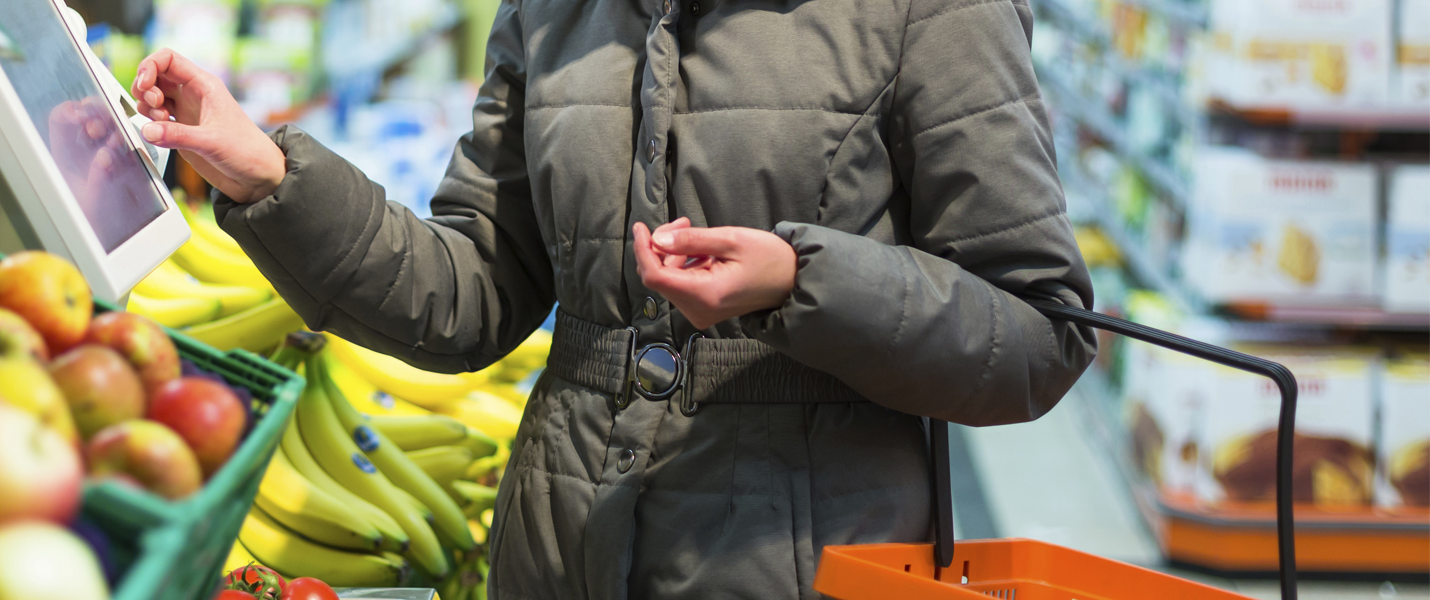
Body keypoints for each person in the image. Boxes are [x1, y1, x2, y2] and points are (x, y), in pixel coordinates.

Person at [130, 0, 1098, 597]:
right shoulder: (556, 9)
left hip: (798, 564)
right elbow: (471, 291)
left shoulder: (929, 11)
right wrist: (266, 176)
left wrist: (805, 281)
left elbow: (1040, 327)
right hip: (555, 555)